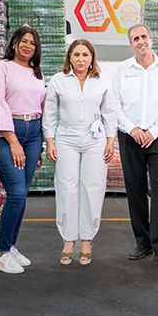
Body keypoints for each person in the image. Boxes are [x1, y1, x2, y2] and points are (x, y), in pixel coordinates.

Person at [111, 23, 158, 269]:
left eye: (144, 36)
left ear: (151, 39)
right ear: (131, 44)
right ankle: (143, 242)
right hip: (130, 137)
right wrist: (133, 129)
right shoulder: (122, 70)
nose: (141, 41)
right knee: (135, 189)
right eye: (135, 38)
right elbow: (114, 104)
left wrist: (153, 131)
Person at [43, 39, 117, 266]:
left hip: (95, 139)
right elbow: (50, 113)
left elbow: (110, 112)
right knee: (67, 187)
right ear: (70, 58)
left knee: (93, 187)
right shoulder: (58, 80)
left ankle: (86, 240)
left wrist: (110, 140)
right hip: (66, 138)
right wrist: (50, 140)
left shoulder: (101, 82)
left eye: (86, 55)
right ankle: (68, 240)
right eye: (77, 55)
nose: (81, 59)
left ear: (92, 58)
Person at [0, 26, 45, 274]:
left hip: (33, 134)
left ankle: (11, 246)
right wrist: (13, 140)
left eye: (32, 42)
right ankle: (1, 253)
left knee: (22, 194)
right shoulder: (2, 67)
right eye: (23, 41)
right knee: (17, 193)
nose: (27, 45)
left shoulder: (36, 73)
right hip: (7, 133)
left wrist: (38, 146)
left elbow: (41, 106)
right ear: (14, 43)